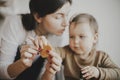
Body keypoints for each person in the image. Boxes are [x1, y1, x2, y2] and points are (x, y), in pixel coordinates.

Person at [0, 0, 72, 80]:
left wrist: (49, 72)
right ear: (38, 17)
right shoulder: (15, 23)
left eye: (67, 15)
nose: (66, 23)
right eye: (58, 17)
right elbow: (1, 73)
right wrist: (21, 64)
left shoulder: (59, 36)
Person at [55, 13, 120, 80]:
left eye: (81, 36)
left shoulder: (101, 57)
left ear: (95, 38)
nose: (76, 41)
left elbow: (118, 73)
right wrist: (45, 45)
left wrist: (98, 72)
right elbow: (54, 51)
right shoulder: (65, 51)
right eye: (71, 37)